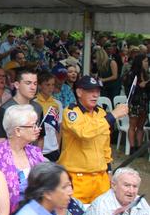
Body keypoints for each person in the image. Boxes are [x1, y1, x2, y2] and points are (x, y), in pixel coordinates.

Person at [58, 76, 128, 204]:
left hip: (100, 178)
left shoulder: (101, 113)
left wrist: (109, 171)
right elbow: (84, 132)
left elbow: (105, 146)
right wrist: (112, 115)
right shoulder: (71, 112)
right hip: (77, 179)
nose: (95, 95)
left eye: (97, 91)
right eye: (90, 91)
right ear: (79, 92)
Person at [0, 105, 45, 213]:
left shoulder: (35, 153)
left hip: (36, 214)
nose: (37, 129)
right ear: (18, 131)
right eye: (33, 126)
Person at [0, 68, 44, 146]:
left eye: (35, 83)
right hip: (11, 156)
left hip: (33, 155)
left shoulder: (38, 107)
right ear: (17, 85)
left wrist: (37, 157)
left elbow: (40, 138)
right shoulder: (4, 110)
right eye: (28, 83)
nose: (33, 87)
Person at [33, 71, 62, 161]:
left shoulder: (57, 104)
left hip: (53, 149)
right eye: (47, 85)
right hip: (37, 148)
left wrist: (58, 146)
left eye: (52, 85)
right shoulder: (34, 103)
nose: (51, 88)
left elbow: (59, 127)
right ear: (40, 86)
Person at [123, 54, 149, 152]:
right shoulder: (131, 74)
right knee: (133, 125)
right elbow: (128, 90)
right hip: (135, 103)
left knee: (141, 126)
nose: (147, 63)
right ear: (140, 62)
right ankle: (132, 147)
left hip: (144, 102)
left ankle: (139, 147)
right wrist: (139, 86)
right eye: (145, 61)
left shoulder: (146, 74)